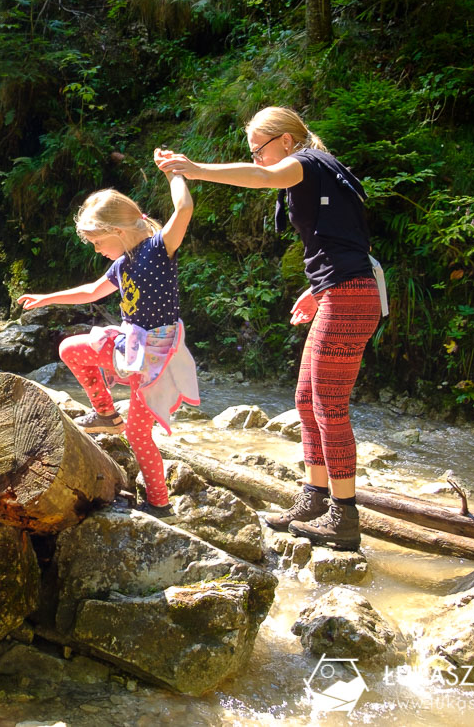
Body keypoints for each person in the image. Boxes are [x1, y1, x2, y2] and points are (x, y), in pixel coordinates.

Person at [156, 106, 382, 550]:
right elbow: (350, 238)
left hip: (352, 296)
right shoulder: (321, 171)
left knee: (329, 405)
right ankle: (315, 498)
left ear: (284, 142)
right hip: (341, 291)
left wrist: (195, 169)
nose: (257, 158)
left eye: (258, 149)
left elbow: (263, 178)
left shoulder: (306, 162)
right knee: (305, 400)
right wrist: (317, 288)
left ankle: (344, 516)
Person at [17, 173, 198, 517]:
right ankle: (110, 422)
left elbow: (185, 207)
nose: (97, 250)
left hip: (155, 355)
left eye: (97, 242)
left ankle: (154, 494)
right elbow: (90, 291)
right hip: (131, 349)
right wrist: (45, 298)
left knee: (136, 428)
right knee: (75, 354)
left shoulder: (160, 248)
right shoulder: (122, 264)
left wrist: (175, 173)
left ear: (116, 231)